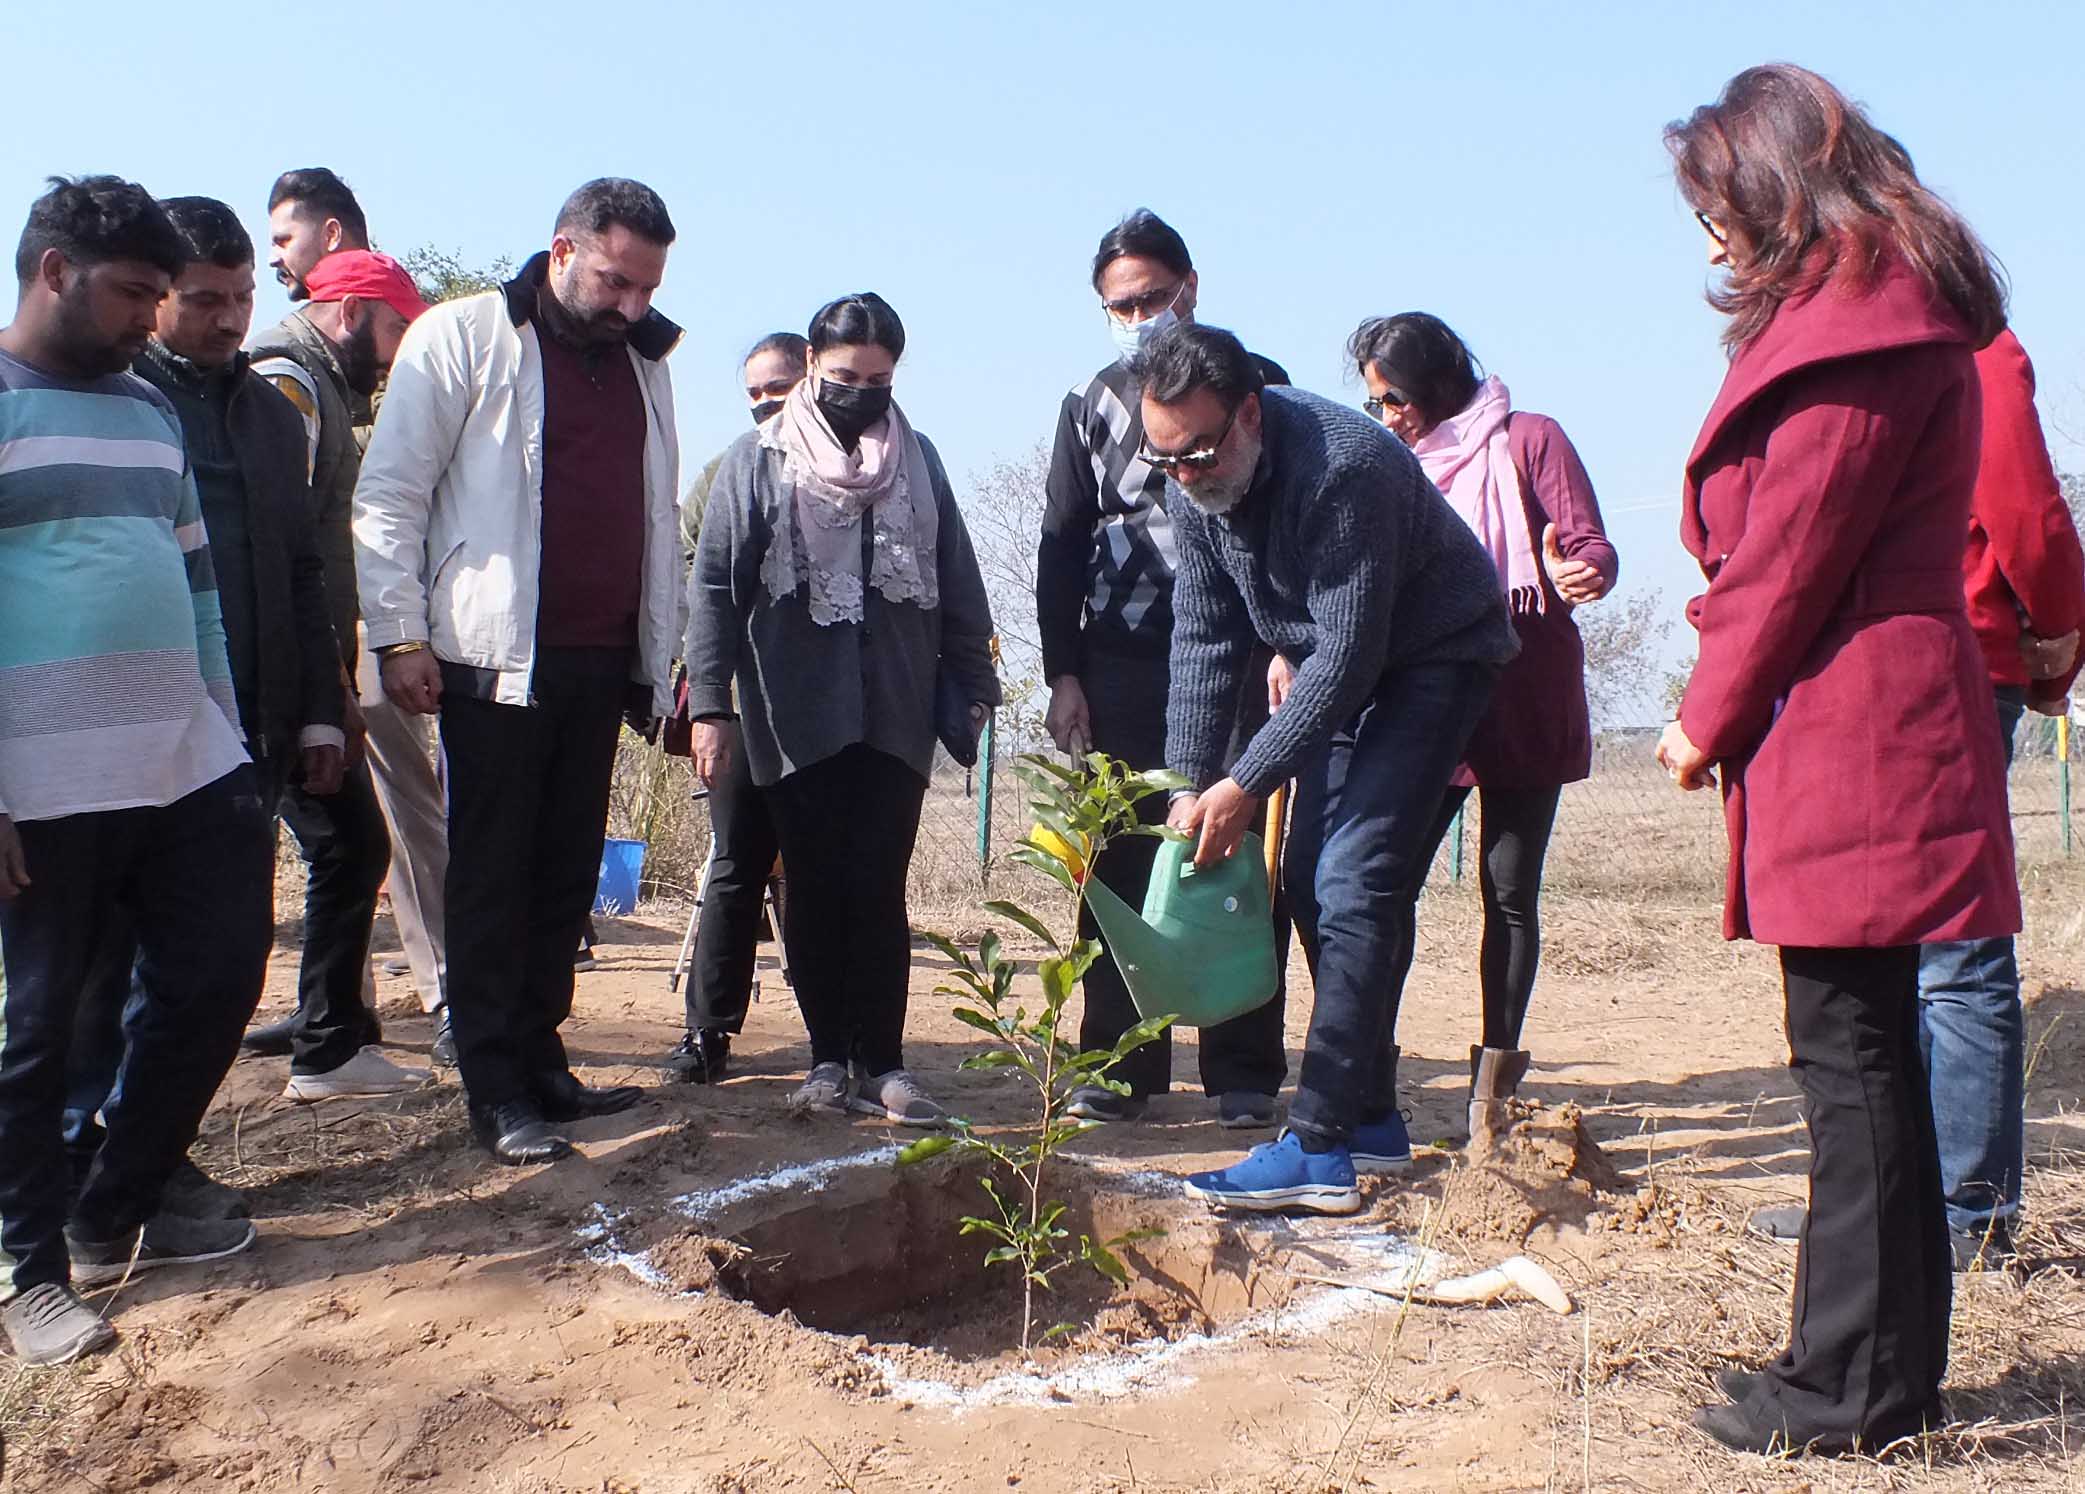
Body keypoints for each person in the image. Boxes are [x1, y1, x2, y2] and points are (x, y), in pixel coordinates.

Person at [1659, 63, 2018, 1455]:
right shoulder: (1874, 315)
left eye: (1715, 206)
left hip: (1857, 717)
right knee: (1863, 1052)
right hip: (1855, 711)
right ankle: (1864, 1362)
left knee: (1851, 1052)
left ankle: (1852, 1388)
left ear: (1775, 187)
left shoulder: (1858, 335)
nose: (1706, 240)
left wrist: (1703, 711)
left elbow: (1790, 554)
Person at [1142, 323, 1516, 1213]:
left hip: (1431, 658)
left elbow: (1350, 656)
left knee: (1356, 885)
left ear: (1247, 414)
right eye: (1166, 460)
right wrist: (1191, 782)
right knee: (1309, 883)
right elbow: (1202, 638)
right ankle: (1373, 1116)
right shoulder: (1191, 487)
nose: (1186, 474)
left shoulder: (1342, 464)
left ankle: (1317, 1143)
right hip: (1338, 667)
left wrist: (1249, 782)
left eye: (1198, 451)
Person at [355, 179, 685, 1166]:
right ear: (561, 248)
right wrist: (399, 634)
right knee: (493, 873)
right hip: (490, 660)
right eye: (615, 279)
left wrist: (655, 653)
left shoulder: (646, 361)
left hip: (600, 657)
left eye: (646, 286)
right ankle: (494, 1085)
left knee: (563, 871)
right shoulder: (464, 337)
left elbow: (656, 512)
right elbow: (389, 496)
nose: (630, 304)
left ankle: (543, 1062)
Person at [0, 177, 272, 1366]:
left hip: (182, 760)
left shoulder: (149, 411)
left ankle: (115, 1202)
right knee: (39, 1026)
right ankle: (28, 1273)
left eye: (163, 296)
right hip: (41, 785)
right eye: (132, 294)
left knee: (219, 972)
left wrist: (222, 733)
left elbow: (199, 584)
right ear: (53, 270)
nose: (150, 318)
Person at [1748, 324, 2085, 1268]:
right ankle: (1886, 1213)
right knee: (1884, 946)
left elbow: (2025, 510)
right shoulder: (1826, 342)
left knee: (1953, 950)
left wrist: (2059, 633)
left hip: (1956, 658)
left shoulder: (1965, 338)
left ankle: (1965, 1220)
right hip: (1861, 667)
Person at [63, 196, 351, 1213]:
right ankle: (78, 1164)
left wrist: (322, 709)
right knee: (98, 970)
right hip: (118, 730)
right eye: (204, 300)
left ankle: (143, 1152)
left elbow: (304, 569)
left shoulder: (275, 418)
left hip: (245, 732)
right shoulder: (111, 399)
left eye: (240, 298)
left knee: (213, 963)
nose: (231, 320)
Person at [685, 293, 1000, 1125]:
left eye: (877, 378)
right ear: (813, 369)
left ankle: (887, 1065)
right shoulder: (755, 462)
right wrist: (710, 707)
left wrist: (973, 686)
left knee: (878, 887)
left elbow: (958, 579)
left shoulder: (919, 461)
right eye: (841, 377)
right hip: (794, 713)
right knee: (817, 888)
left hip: (896, 709)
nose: (859, 391)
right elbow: (714, 591)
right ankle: (828, 1059)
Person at [1035, 209, 1291, 1129]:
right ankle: (1118, 1067)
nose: (1139, 315)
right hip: (1123, 662)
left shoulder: (1258, 387)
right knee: (1120, 861)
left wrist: (1284, 644)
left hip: (1241, 660)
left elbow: (1286, 534)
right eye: (1120, 304)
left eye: (1151, 297)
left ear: (1191, 287)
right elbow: (1061, 540)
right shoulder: (1086, 401)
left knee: (1233, 861)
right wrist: (1064, 670)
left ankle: (1244, 1074)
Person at [1335, 313, 1616, 1148]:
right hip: (1425, 698)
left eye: (1393, 397)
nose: (1387, 416)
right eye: (1374, 402)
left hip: (1524, 693)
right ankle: (1366, 1084)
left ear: (1432, 382)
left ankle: (1491, 1100)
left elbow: (1592, 545)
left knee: (1508, 893)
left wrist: (1583, 569)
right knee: (1381, 888)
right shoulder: (1389, 462)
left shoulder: (1530, 440)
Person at [248, 252, 433, 1100]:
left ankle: (336, 1035)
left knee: (351, 844)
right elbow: (282, 547)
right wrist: (321, 696)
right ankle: (325, 1048)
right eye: (395, 327)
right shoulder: (289, 384)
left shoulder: (318, 388)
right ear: (353, 311)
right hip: (275, 674)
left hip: (295, 667)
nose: (396, 353)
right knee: (350, 843)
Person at [665, 331, 808, 1084]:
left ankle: (838, 1042)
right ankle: (706, 1035)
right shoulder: (727, 472)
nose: (765, 403)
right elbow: (697, 579)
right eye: (754, 392)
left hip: (830, 707)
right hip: (747, 702)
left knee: (824, 872)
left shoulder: (863, 467)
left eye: (778, 386)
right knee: (735, 864)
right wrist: (709, 702)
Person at [266, 167, 368, 302]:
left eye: (284, 242)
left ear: (332, 235)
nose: (272, 260)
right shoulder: (399, 311)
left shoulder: (398, 316)